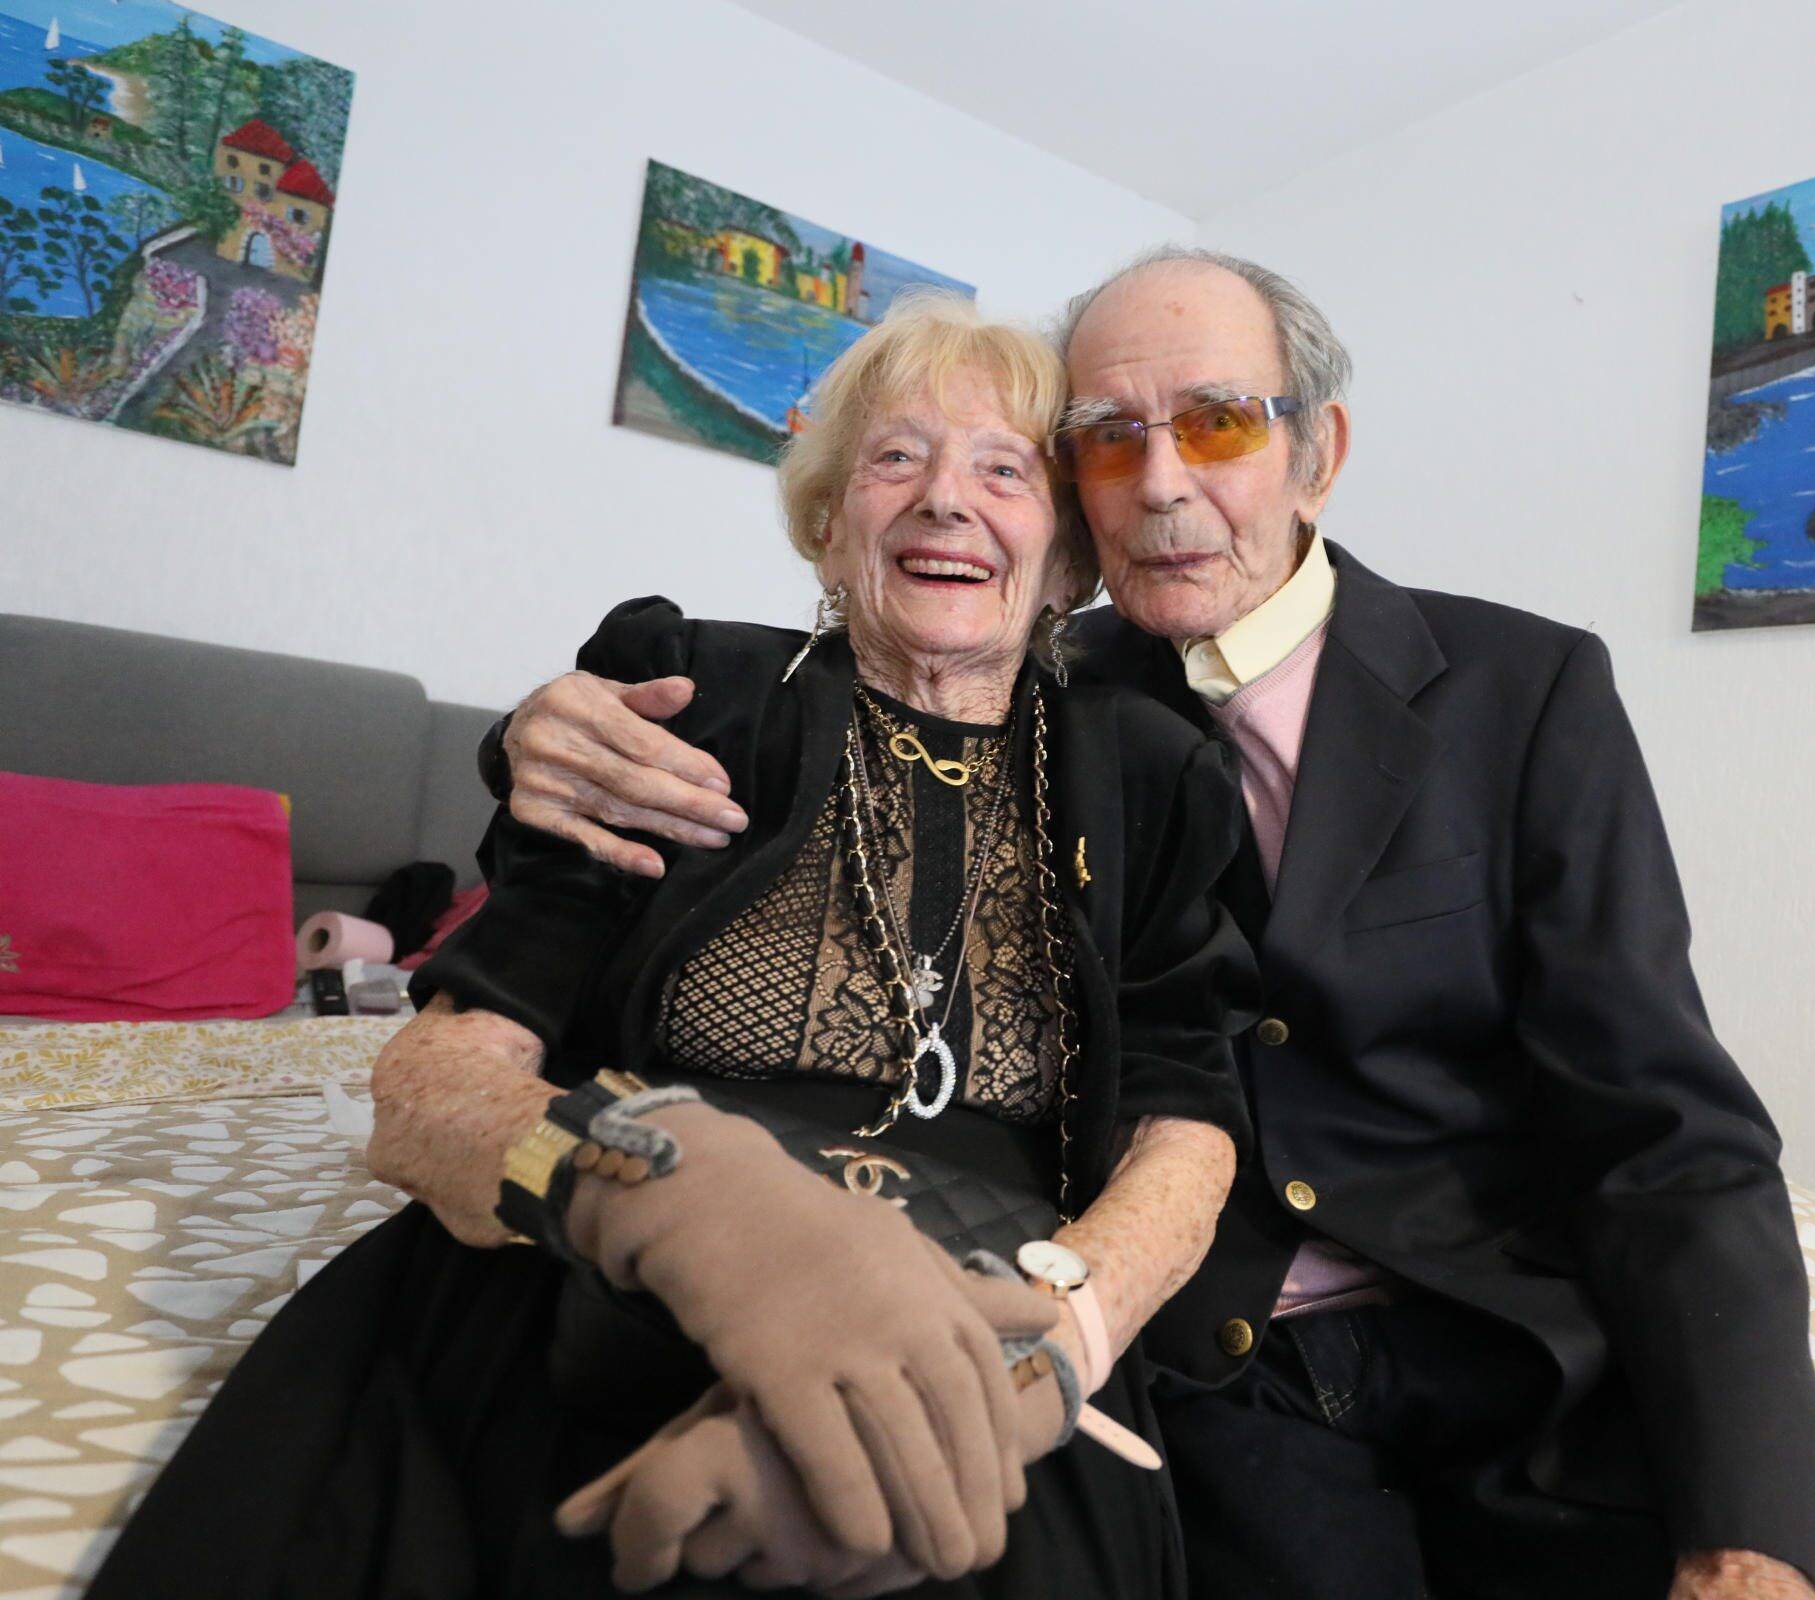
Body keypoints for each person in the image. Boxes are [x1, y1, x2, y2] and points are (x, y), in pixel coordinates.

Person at [484, 249, 1815, 1600]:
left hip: (1500, 1348)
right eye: (1104, 439)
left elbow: (1664, 1122)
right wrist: (531, 741)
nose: (1161, 484)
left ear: (1318, 453)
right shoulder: (1033, 682)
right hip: (1218, 1369)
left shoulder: (1523, 687)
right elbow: (746, 757)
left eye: (1216, 422)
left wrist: (1757, 1535)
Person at [87, 293, 1257, 1600]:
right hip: (592, 1261)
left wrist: (1060, 1343)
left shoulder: (1147, 774)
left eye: (1002, 470)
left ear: (1066, 556)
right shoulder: (681, 698)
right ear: (827, 523)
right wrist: (649, 1184)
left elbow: (1187, 1119)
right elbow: (430, 1086)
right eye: (894, 457)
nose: (945, 499)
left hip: (992, 1307)